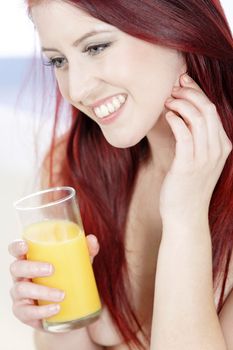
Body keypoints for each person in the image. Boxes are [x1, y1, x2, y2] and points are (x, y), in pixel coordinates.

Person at [8, 0, 233, 349]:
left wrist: (185, 219)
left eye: (96, 47)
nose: (77, 89)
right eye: (59, 61)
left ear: (177, 25)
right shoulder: (72, 168)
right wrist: (60, 318)